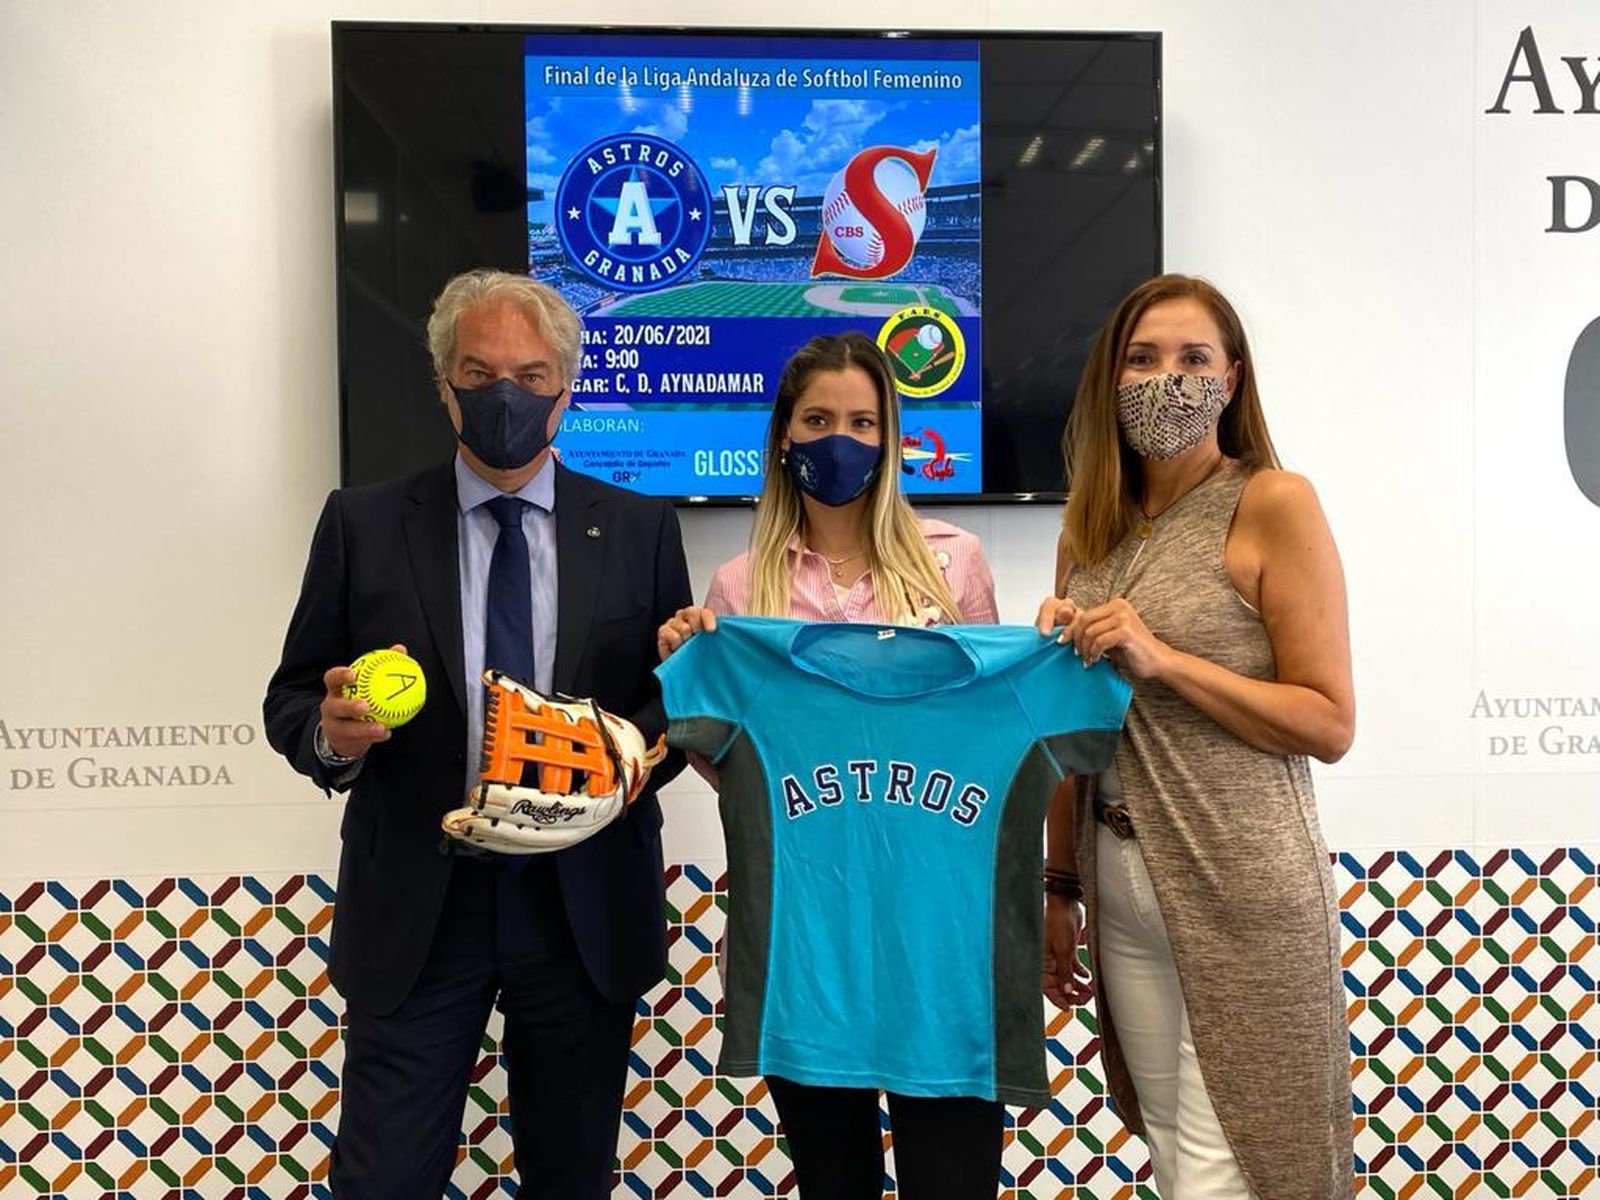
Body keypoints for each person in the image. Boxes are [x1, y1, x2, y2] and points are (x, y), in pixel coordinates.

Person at [263, 269, 691, 1197]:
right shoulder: (364, 522)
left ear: (566, 390)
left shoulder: (638, 527)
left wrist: (612, 771)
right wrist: (333, 735)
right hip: (422, 906)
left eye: (533, 376)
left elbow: (675, 712)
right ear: (444, 383)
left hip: (582, 905)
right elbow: (293, 700)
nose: (508, 394)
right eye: (481, 371)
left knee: (569, 1179)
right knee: (383, 1179)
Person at [656, 333, 1006, 1199]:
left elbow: (991, 731)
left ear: (891, 437)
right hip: (808, 936)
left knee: (952, 1181)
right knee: (832, 1183)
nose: (838, 439)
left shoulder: (951, 562)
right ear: (782, 435)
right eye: (817, 419)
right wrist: (691, 685)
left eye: (861, 420)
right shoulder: (740, 589)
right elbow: (742, 772)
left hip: (940, 936)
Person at [1035, 274, 1356, 1200]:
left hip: (1238, 877)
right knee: (1173, 1145)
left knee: (1231, 1164)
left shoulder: (1271, 501)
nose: (1164, 378)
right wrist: (1060, 885)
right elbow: (1071, 731)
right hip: (1118, 874)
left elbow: (1329, 721)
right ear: (1110, 378)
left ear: (1231, 378)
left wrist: (1163, 659)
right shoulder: (1085, 530)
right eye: (1142, 359)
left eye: (1191, 358)